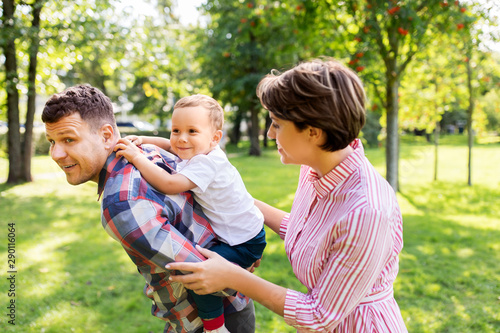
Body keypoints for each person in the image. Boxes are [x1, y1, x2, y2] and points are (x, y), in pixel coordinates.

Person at [166, 59, 408, 332]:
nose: (269, 133)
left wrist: (231, 275)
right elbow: (307, 232)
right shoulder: (316, 169)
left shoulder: (367, 211)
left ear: (313, 133)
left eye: (277, 124)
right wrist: (235, 207)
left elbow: (319, 316)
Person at [42, 84, 257, 333]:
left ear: (106, 135)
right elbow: (217, 195)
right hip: (228, 303)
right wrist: (246, 248)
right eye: (51, 141)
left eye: (69, 139)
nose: (56, 153)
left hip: (211, 320)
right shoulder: (145, 152)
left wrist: (243, 265)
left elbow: (204, 274)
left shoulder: (121, 205)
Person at [113, 94, 266, 333]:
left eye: (192, 131)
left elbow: (168, 184)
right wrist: (142, 139)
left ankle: (215, 328)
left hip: (243, 242)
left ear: (215, 138)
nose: (181, 139)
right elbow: (169, 144)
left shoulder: (207, 164)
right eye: (176, 130)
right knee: (204, 273)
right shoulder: (201, 152)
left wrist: (137, 157)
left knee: (202, 276)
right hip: (245, 232)